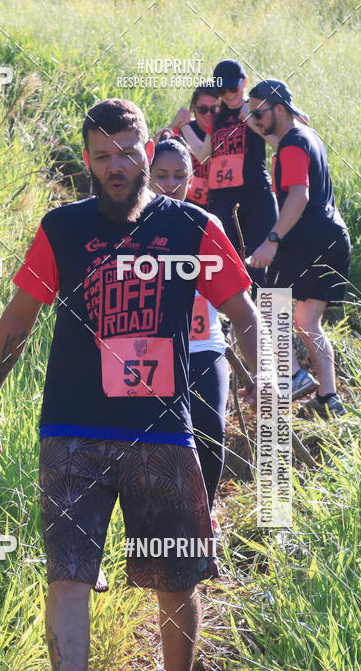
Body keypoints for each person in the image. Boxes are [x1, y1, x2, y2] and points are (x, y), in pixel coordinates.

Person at [0, 99, 263, 671]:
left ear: (148, 148)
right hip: (70, 426)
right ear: (87, 160)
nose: (116, 168)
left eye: (127, 152)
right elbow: (19, 318)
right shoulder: (62, 230)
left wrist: (264, 387)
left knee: (176, 573)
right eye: (101, 156)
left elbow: (245, 315)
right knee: (68, 572)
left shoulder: (194, 227)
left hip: (161, 429)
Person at [247, 79, 350, 417]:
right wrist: (267, 118)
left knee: (267, 304)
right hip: (335, 237)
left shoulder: (292, 144)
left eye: (258, 113)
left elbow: (298, 195)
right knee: (307, 320)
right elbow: (272, 132)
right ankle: (328, 397)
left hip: (306, 236)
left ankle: (293, 376)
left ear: (279, 109)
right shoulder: (308, 137)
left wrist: (271, 241)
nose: (254, 120)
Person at [150, 136, 229, 517]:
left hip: (203, 346)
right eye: (161, 175)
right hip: (150, 354)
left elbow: (237, 302)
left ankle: (205, 516)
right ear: (147, 175)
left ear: (191, 178)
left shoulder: (203, 225)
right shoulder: (132, 228)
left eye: (179, 176)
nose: (169, 184)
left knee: (210, 430)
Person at [177, 60, 279, 294]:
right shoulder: (218, 117)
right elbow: (203, 155)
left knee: (264, 266)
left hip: (256, 198)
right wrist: (183, 126)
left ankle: (275, 328)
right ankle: (241, 328)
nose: (228, 95)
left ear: (245, 83)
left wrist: (253, 122)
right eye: (222, 91)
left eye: (233, 89)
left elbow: (279, 144)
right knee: (231, 269)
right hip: (223, 202)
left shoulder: (257, 109)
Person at [156, 85, 219, 208]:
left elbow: (204, 158)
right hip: (187, 202)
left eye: (214, 110)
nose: (208, 114)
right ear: (193, 108)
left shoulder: (224, 131)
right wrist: (175, 122)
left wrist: (183, 125)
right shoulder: (186, 127)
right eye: (202, 109)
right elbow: (154, 147)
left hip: (219, 203)